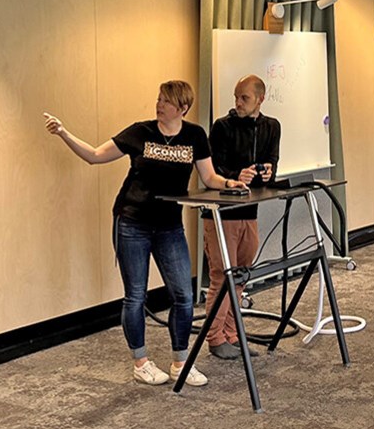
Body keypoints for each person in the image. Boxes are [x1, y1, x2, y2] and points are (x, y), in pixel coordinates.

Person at [43, 80, 246, 388]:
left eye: (165, 101)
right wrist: (63, 133)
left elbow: (209, 176)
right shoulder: (141, 132)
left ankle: (181, 362)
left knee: (184, 295)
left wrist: (230, 183)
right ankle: (141, 362)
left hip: (169, 227)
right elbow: (95, 155)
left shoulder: (194, 136)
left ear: (182, 108)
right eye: (159, 99)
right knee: (135, 296)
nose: (158, 104)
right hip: (132, 222)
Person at [203, 74, 281, 361]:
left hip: (251, 211)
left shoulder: (272, 127)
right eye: (236, 96)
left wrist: (267, 173)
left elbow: (273, 161)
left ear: (260, 99)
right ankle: (214, 338)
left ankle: (233, 334)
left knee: (240, 277)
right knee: (221, 277)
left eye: (244, 98)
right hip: (222, 213)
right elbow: (212, 170)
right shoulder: (221, 127)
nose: (237, 102)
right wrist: (237, 176)